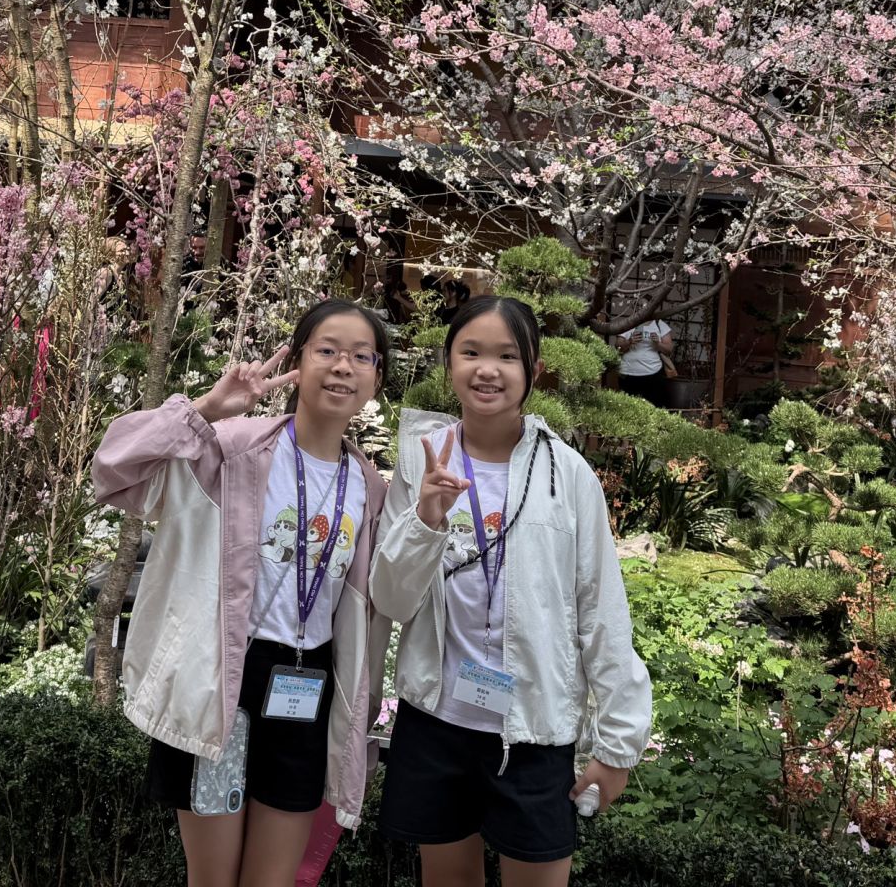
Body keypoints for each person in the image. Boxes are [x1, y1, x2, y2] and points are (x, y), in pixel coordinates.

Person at [91, 300, 392, 887]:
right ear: (298, 361)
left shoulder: (369, 489)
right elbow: (113, 470)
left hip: (307, 685)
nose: (343, 366)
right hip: (223, 678)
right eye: (327, 350)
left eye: (362, 356)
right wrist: (203, 410)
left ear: (376, 378)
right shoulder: (232, 449)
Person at [371, 296, 652, 887]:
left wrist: (618, 743)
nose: (487, 370)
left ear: (533, 369)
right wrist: (425, 519)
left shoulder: (567, 474)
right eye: (470, 352)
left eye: (506, 356)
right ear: (449, 362)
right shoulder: (422, 462)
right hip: (438, 721)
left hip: (534, 727)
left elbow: (601, 610)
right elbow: (391, 600)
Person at [613, 310, 673, 407]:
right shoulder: (628, 323)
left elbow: (669, 350)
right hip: (628, 372)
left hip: (653, 372)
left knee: (654, 406)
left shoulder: (659, 324)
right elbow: (618, 347)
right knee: (627, 407)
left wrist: (658, 343)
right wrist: (630, 341)